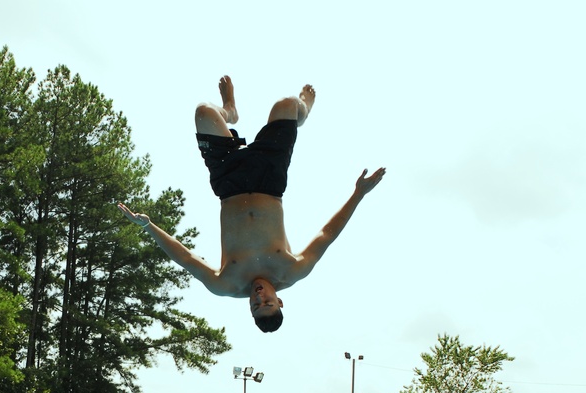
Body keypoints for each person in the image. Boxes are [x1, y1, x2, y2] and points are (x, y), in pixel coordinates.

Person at [118, 75, 385, 332]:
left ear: (249, 308)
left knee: (203, 112)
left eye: (256, 307)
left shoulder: (225, 284)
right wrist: (358, 194)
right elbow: (327, 234)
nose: (260, 299)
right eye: (268, 302)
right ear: (279, 301)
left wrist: (149, 226)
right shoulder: (292, 270)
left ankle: (229, 111)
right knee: (288, 104)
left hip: (229, 182)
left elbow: (185, 258)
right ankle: (304, 109)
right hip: (268, 181)